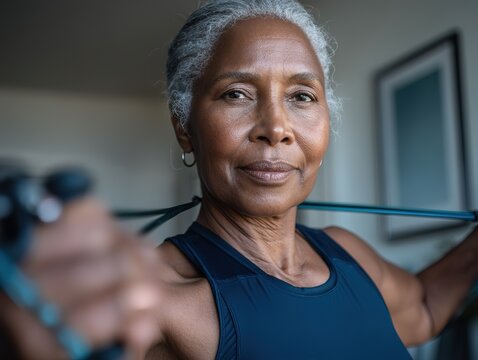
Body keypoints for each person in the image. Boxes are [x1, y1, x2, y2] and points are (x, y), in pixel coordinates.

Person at [0, 0, 477, 359]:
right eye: (236, 93)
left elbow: (424, 307)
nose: (276, 127)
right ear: (184, 128)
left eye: (302, 96)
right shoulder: (159, 298)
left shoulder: (346, 253)